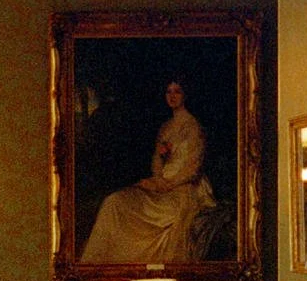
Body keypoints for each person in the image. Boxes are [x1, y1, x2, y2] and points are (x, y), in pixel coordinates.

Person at [81, 79, 217, 264]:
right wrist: (157, 179)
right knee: (114, 201)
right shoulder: (166, 126)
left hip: (183, 189)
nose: (172, 96)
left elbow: (192, 169)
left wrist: (167, 184)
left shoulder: (194, 127)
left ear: (185, 95)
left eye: (177, 91)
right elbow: (157, 161)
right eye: (168, 91)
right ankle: (95, 265)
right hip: (161, 185)